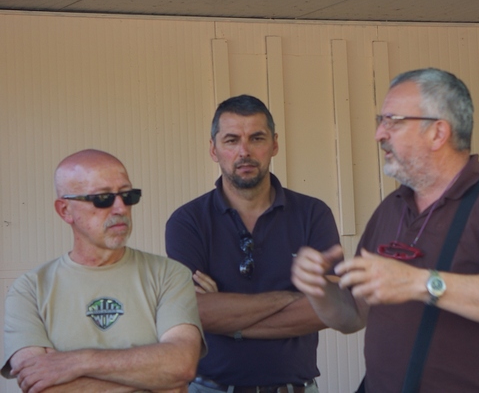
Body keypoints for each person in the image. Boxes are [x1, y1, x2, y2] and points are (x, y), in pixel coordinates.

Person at [292, 67, 479, 392]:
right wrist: (317, 289)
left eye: (393, 121)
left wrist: (420, 282)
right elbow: (353, 314)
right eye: (380, 121)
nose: (379, 134)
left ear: (438, 133)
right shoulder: (392, 207)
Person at [165, 95, 340, 393]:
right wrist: (291, 296)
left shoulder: (313, 214)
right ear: (213, 149)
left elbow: (331, 307)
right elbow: (195, 311)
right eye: (231, 140)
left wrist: (229, 318)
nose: (244, 152)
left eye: (256, 138)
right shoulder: (188, 221)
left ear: (274, 144)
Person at [2, 149, 205, 393]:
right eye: (103, 199)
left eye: (128, 196)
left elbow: (179, 366)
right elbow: (39, 384)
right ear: (65, 210)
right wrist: (151, 378)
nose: (120, 208)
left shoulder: (169, 275)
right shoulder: (30, 289)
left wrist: (74, 363)